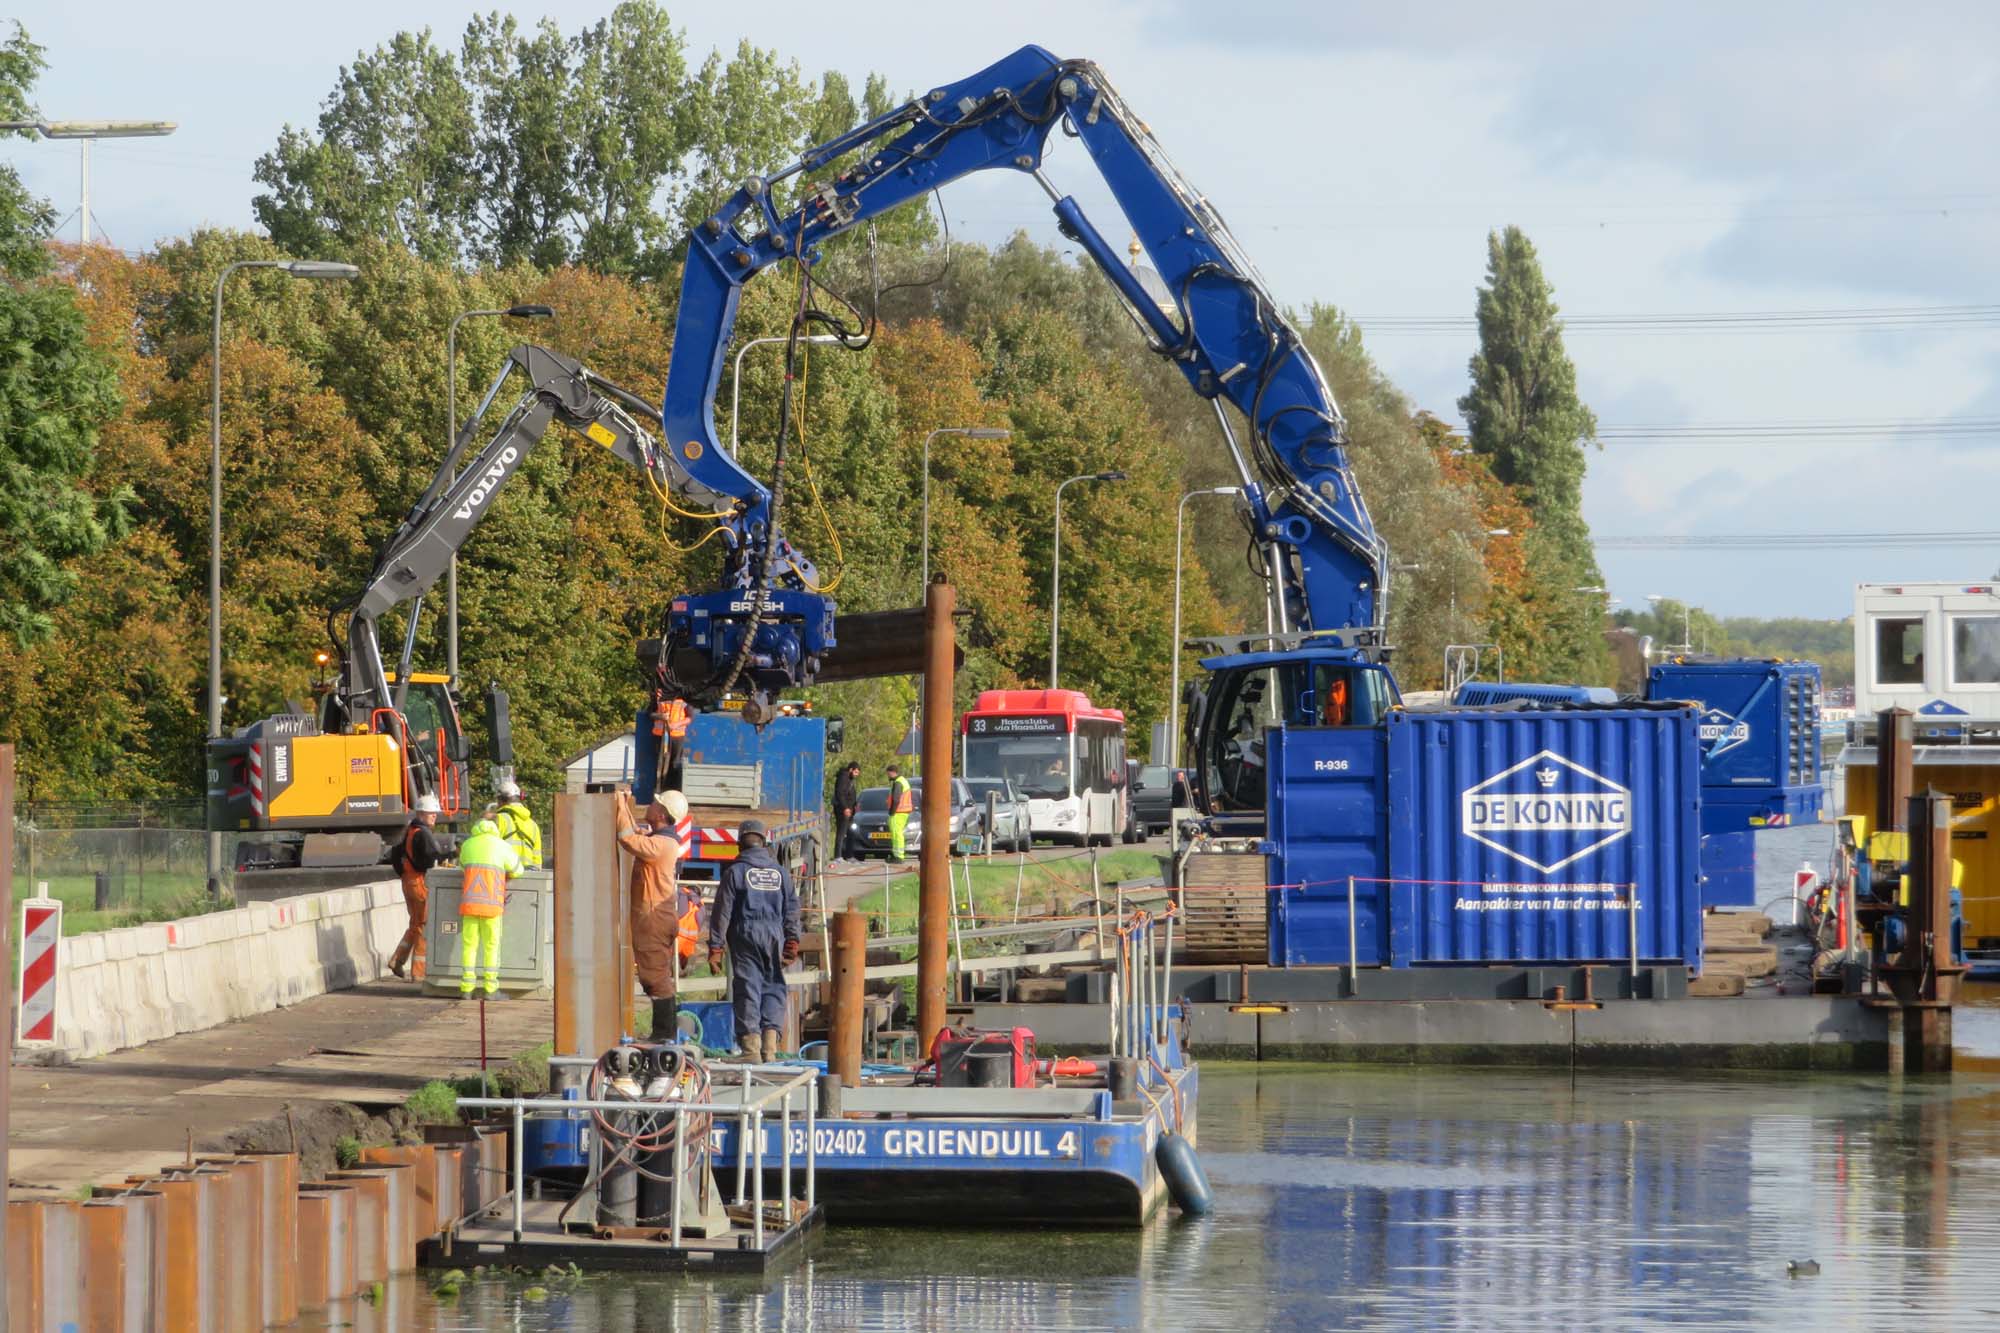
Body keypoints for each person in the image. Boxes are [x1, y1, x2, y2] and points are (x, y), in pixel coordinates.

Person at [707, 818, 800, 1062]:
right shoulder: (780, 873)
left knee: (749, 987)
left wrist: (716, 947)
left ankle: (750, 1050)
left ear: (740, 845)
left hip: (745, 935)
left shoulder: (735, 873)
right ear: (765, 843)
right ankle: (769, 1049)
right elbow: (792, 909)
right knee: (773, 987)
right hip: (774, 936)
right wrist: (792, 941)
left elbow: (722, 913)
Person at [615, 789, 690, 1040]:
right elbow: (636, 831)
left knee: (655, 978)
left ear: (660, 813)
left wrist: (617, 803)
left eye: (655, 803)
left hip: (653, 919)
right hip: (657, 917)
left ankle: (663, 1034)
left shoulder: (661, 845)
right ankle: (665, 1033)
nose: (650, 805)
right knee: (656, 976)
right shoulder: (660, 840)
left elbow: (627, 838)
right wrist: (624, 805)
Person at [455, 812, 524, 1000]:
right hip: (492, 906)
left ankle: (466, 989)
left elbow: (462, 867)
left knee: (469, 946)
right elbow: (518, 870)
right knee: (491, 946)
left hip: (470, 904)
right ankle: (490, 989)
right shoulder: (502, 846)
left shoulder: (468, 844)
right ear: (496, 827)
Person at [388, 793, 442, 979]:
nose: (434, 816)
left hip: (408, 881)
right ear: (421, 814)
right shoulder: (424, 833)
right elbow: (430, 858)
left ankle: (397, 959)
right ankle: (419, 972)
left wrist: (404, 873)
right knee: (423, 926)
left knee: (415, 923)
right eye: (431, 813)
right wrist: (448, 853)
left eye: (435, 813)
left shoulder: (409, 831)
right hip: (419, 882)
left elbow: (394, 855)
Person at [494, 782, 543, 869]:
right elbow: (537, 859)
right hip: (529, 877)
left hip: (505, 875)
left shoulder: (499, 819)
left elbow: (491, 849)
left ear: (501, 799)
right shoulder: (533, 825)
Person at [886, 764, 914, 863]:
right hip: (903, 811)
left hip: (898, 812)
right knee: (897, 833)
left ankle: (898, 856)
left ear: (892, 772)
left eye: (888, 774)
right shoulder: (903, 781)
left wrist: (892, 811)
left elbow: (896, 799)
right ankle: (897, 855)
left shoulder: (898, 783)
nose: (888, 776)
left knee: (896, 834)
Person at [833, 761, 860, 856]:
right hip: (843, 810)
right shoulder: (843, 778)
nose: (856, 775)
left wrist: (855, 804)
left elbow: (851, 794)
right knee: (841, 832)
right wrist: (845, 808)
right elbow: (840, 794)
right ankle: (838, 855)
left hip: (850, 809)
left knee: (851, 832)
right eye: (855, 772)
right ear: (851, 769)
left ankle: (849, 855)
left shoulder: (850, 779)